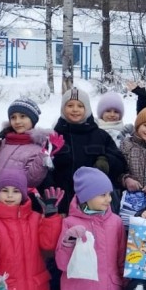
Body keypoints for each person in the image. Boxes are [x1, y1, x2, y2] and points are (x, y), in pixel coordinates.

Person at [54, 168, 125, 290]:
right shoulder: (70, 223)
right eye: (102, 195)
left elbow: (121, 256)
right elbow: (62, 264)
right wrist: (69, 241)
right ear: (86, 196)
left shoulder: (115, 222)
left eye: (109, 194)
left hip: (108, 289)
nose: (108, 199)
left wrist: (125, 280)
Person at [51, 86, 126, 214]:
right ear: (63, 108)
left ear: (87, 109)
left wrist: (106, 161)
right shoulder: (54, 136)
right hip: (63, 206)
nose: (75, 110)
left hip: (95, 208)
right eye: (70, 105)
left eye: (80, 106)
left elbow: (121, 164)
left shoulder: (100, 136)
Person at [0, 97, 60, 190]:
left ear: (32, 119)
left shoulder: (38, 147)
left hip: (16, 199)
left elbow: (32, 180)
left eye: (22, 116)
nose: (17, 121)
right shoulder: (3, 142)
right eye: (13, 117)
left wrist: (43, 156)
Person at [96, 80, 146, 147]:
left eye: (116, 111)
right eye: (108, 111)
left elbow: (145, 121)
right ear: (101, 113)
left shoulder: (127, 133)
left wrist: (143, 97)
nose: (112, 115)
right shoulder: (92, 132)